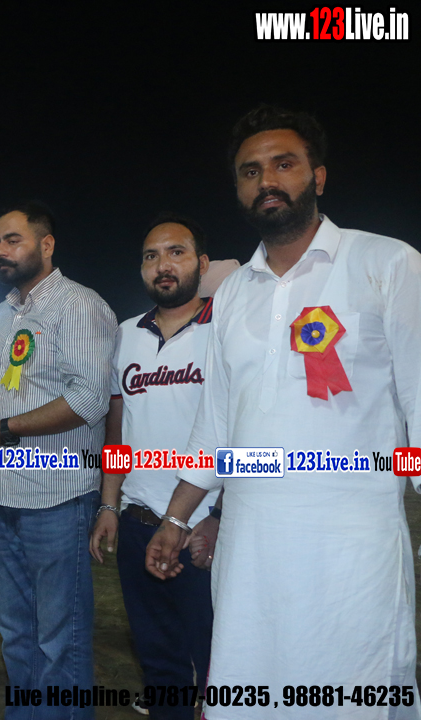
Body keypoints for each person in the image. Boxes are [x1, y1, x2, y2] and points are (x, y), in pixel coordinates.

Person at [146, 105, 421, 719]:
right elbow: (215, 426)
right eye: (250, 171)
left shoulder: (387, 264)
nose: (266, 180)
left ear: (318, 176)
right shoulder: (233, 294)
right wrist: (176, 517)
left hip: (352, 554)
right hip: (251, 556)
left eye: (284, 164)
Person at [0, 201, 116, 719]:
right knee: (16, 635)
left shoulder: (79, 306)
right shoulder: (0, 316)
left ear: (46, 244)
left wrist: (5, 430)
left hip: (59, 499)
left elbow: (90, 399)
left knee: (60, 640)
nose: (1, 251)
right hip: (4, 498)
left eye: (13, 240)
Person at [89, 214, 219, 718]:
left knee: (220, 667)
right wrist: (110, 506)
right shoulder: (126, 335)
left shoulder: (227, 329)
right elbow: (117, 430)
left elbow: (250, 432)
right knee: (160, 666)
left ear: (201, 263)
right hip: (140, 524)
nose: (163, 265)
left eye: (176, 252)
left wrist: (221, 515)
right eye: (151, 256)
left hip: (205, 530)